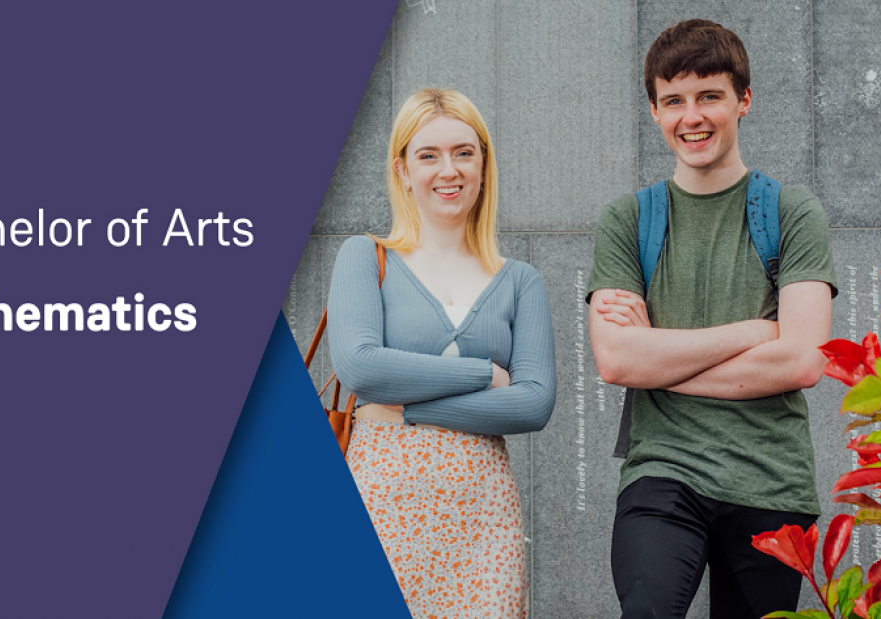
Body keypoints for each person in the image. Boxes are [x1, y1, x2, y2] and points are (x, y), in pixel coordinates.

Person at [586, 20, 836, 619]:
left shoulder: (789, 211)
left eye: (709, 96)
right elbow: (618, 359)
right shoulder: (630, 220)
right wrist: (754, 332)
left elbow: (802, 361)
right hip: (662, 473)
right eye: (673, 100)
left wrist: (658, 357)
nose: (690, 116)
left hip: (770, 479)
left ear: (743, 100)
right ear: (654, 110)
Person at [326, 87, 556, 618]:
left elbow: (532, 404)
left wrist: (406, 409)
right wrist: (483, 373)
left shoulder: (521, 280)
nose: (447, 170)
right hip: (381, 502)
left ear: (483, 165)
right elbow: (362, 367)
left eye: (463, 152)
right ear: (403, 170)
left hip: (483, 517)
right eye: (428, 155)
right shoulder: (366, 257)